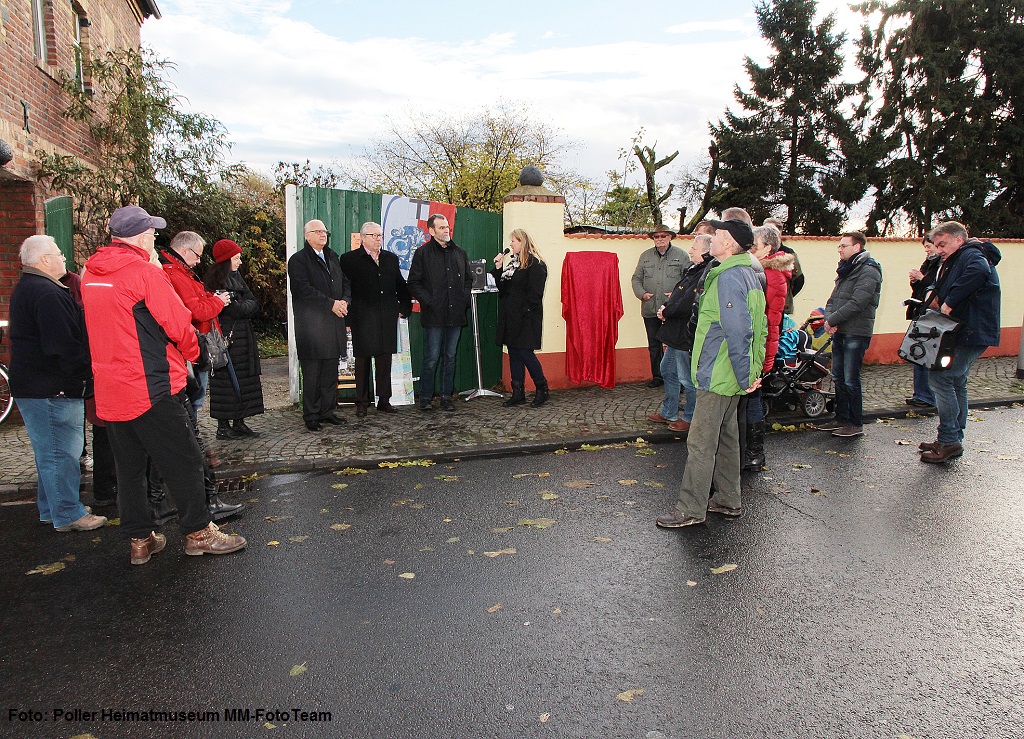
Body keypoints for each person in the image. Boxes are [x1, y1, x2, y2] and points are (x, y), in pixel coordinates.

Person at [82, 206, 246, 564]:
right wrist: (194, 352)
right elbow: (178, 325)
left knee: (130, 469)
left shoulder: (90, 273)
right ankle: (198, 532)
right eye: (153, 234)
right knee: (184, 461)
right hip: (151, 384)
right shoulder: (144, 272)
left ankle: (140, 539)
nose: (155, 239)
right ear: (142, 237)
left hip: (112, 386)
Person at [656, 218, 767, 528]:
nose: (710, 237)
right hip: (729, 373)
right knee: (727, 436)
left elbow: (739, 332)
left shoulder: (729, 277)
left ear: (729, 243)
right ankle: (728, 499)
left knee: (701, 442)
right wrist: (749, 373)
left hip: (718, 374)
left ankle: (690, 509)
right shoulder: (746, 273)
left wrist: (746, 376)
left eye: (716, 234)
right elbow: (758, 329)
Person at [10, 235, 106, 532]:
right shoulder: (47, 292)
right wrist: (83, 376)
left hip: (38, 385)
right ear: (44, 260)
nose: (64, 258)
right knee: (62, 453)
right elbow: (63, 346)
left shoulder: (29, 287)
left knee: (49, 452)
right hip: (52, 388)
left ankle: (52, 508)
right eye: (59, 254)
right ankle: (67, 513)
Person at [919, 221, 1001, 463]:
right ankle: (952, 437)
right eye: (936, 245)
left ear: (959, 240)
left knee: (941, 378)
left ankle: (950, 440)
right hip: (967, 330)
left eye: (943, 244)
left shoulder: (972, 254)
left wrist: (949, 302)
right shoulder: (960, 257)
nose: (939, 249)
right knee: (956, 381)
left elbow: (978, 273)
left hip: (970, 331)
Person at [338, 222, 413, 417]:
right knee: (362, 362)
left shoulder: (390, 258)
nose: (378, 239)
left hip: (386, 317)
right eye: (374, 235)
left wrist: (404, 308)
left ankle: (384, 400)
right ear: (363, 238)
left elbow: (401, 286)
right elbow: (345, 290)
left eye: (380, 235)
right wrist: (347, 320)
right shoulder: (349, 260)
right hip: (362, 318)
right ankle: (362, 402)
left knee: (384, 360)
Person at [813, 232, 882, 439]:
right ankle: (840, 418)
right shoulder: (846, 269)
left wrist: (833, 320)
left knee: (851, 378)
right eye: (839, 246)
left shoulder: (869, 270)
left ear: (857, 247)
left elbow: (858, 302)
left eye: (844, 246)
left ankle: (855, 422)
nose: (840, 249)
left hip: (856, 330)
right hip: (841, 329)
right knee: (838, 377)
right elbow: (834, 298)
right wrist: (829, 318)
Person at [288, 219, 351, 431]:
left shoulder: (332, 256)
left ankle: (327, 411)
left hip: (333, 326)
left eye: (325, 231)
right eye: (318, 231)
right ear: (307, 236)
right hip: (312, 328)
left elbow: (345, 282)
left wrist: (344, 301)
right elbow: (303, 290)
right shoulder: (298, 260)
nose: (323, 234)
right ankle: (311, 415)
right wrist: (330, 304)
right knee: (313, 375)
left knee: (330, 374)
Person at [159, 231, 229, 417]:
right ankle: (191, 440)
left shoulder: (178, 270)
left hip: (192, 341)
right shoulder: (175, 273)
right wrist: (218, 302)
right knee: (193, 398)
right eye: (197, 255)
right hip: (190, 344)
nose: (199, 261)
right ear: (185, 250)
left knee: (194, 397)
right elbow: (196, 311)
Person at [648, 233, 713, 432]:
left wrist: (667, 311)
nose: (690, 250)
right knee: (667, 370)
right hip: (675, 332)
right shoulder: (693, 270)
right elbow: (678, 293)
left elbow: (688, 302)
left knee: (687, 378)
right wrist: (665, 308)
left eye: (695, 246)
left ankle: (691, 418)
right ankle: (669, 412)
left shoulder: (705, 272)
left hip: (685, 333)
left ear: (705, 251)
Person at [407, 214, 472, 412]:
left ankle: (446, 397)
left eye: (447, 227)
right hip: (434, 316)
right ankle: (426, 398)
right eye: (442, 228)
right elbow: (413, 283)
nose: (446, 231)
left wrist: (463, 300)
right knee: (432, 357)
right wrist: (430, 301)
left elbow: (468, 281)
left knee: (450, 356)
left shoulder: (459, 253)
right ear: (432, 231)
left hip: (455, 315)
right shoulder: (422, 253)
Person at [742, 225, 793, 470]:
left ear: (768, 248)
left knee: (753, 396)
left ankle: (755, 452)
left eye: (755, 246)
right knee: (751, 396)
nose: (751, 249)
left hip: (760, 346)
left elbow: (763, 317)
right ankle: (748, 449)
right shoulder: (764, 271)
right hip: (759, 344)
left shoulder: (770, 275)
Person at [203, 239, 265, 435]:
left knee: (244, 379)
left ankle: (239, 421)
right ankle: (223, 426)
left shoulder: (236, 277)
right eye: (236, 258)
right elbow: (234, 309)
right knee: (225, 381)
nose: (239, 262)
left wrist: (241, 305)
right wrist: (242, 306)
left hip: (243, 338)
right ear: (226, 260)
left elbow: (253, 304)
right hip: (226, 340)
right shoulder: (215, 281)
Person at [491, 228, 549, 407]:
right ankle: (518, 392)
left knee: (525, 353)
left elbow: (535, 295)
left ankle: (542, 389)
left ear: (522, 243)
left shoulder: (535, 264)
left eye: (513, 241)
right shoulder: (513, 264)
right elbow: (503, 288)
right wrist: (499, 269)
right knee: (514, 353)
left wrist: (524, 313)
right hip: (511, 317)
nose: (510, 244)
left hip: (525, 319)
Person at [631, 224, 690, 387]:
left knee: (676, 345)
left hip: (674, 311)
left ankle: (680, 379)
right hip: (651, 308)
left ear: (670, 237)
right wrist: (641, 293)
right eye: (656, 236)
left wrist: (677, 294)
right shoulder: (645, 256)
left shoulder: (682, 255)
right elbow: (636, 278)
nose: (660, 239)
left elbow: (689, 280)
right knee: (654, 345)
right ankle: (658, 376)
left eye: (663, 236)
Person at [905, 236, 941, 407]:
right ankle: (920, 394)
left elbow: (935, 286)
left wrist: (922, 278)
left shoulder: (941, 264)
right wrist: (915, 282)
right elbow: (922, 288)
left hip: (930, 314)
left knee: (926, 356)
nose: (926, 250)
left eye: (928, 246)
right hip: (920, 311)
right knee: (916, 354)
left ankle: (928, 396)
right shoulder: (928, 263)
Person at [762, 217, 804, 314]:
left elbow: (799, 280)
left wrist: (785, 297)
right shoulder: (758, 251)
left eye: (771, 230)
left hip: (780, 308)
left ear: (779, 233)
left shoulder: (788, 253)